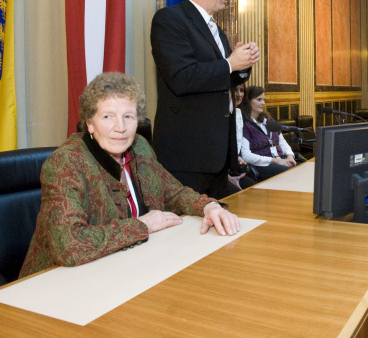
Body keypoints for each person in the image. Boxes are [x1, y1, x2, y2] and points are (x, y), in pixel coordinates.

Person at [20, 72, 240, 278]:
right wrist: (143, 225)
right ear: (90, 123)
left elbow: (174, 193)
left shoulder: (140, 147)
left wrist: (209, 207)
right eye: (107, 116)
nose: (120, 128)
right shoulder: (66, 163)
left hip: (126, 270)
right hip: (57, 282)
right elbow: (69, 245)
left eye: (128, 116)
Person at [151, 0, 260, 199]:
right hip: (188, 156)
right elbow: (181, 78)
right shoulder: (170, 20)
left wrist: (242, 65)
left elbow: (222, 81)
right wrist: (230, 64)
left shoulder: (216, 30)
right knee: (188, 233)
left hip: (217, 156)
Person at [240, 86, 297, 181]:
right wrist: (275, 161)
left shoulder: (269, 120)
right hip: (264, 166)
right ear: (248, 101)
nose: (263, 103)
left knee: (305, 169)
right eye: (259, 100)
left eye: (263, 99)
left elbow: (282, 142)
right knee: (292, 174)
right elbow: (246, 155)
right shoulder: (245, 125)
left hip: (282, 160)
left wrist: (290, 156)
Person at [226, 83, 256, 193]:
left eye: (242, 90)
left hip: (233, 170)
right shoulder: (218, 115)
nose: (239, 94)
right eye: (235, 90)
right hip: (219, 173)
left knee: (254, 190)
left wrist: (237, 157)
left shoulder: (238, 113)